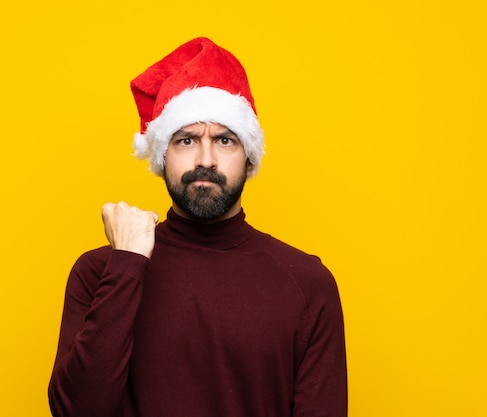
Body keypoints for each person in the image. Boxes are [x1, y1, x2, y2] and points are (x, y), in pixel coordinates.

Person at [48, 37, 347, 417]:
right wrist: (126, 264)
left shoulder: (308, 284)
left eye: (225, 140)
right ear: (161, 156)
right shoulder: (102, 273)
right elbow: (77, 411)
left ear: (249, 159)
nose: (205, 160)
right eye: (186, 139)